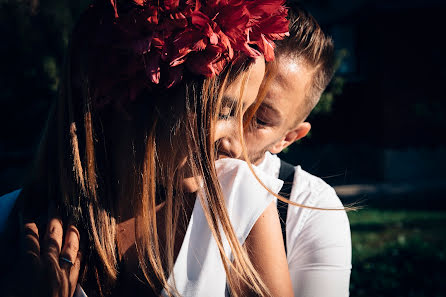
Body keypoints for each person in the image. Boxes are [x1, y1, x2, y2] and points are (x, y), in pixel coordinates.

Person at [0, 1, 294, 297]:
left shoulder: (238, 197)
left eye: (247, 115)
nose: (236, 147)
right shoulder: (8, 224)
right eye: (223, 113)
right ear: (133, 100)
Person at [241, 6, 352, 297]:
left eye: (258, 119)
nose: (228, 130)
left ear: (287, 138)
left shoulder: (309, 207)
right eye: (224, 104)